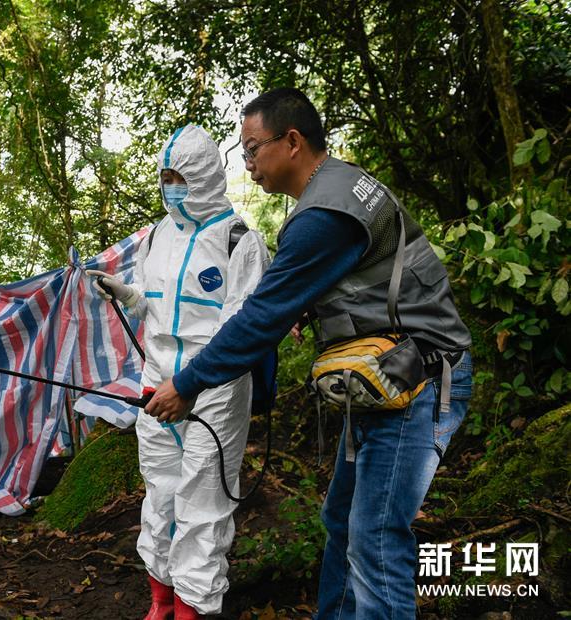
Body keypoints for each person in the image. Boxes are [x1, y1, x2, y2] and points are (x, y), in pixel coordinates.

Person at [144, 88, 473, 619]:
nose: (247, 164)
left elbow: (258, 319)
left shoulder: (323, 215)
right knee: (342, 521)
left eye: (252, 149)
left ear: (291, 142)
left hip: (417, 381)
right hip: (386, 374)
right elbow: (342, 281)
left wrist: (188, 383)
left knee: (374, 538)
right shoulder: (340, 186)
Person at [88, 124, 271, 619]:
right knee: (161, 493)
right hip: (154, 379)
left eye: (180, 176)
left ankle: (194, 608)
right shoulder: (157, 237)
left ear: (206, 177)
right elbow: (153, 303)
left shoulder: (239, 241)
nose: (171, 186)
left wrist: (193, 383)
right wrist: (123, 293)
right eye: (165, 177)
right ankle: (161, 600)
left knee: (203, 499)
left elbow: (243, 326)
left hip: (214, 388)